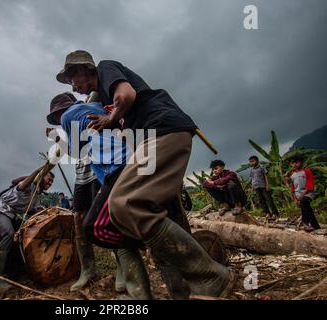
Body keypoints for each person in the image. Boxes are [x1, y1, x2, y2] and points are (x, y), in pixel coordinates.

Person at [56, 50, 234, 299]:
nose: (73, 85)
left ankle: (210, 275)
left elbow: (127, 95)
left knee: (125, 203)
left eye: (72, 78)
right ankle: (184, 290)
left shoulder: (106, 67)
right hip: (150, 141)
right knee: (156, 216)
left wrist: (111, 118)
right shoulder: (100, 99)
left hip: (162, 131)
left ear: (84, 70)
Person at [47, 92, 151, 299]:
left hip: (100, 171)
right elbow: (73, 153)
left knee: (110, 217)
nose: (60, 118)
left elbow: (89, 143)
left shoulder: (88, 112)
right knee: (79, 218)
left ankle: (122, 269)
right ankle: (88, 269)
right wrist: (59, 139)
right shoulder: (69, 126)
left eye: (59, 113)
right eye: (57, 116)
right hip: (81, 175)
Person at [0, 170, 54, 284]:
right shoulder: (28, 185)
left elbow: (35, 210)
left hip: (13, 216)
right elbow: (20, 182)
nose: (50, 183)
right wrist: (38, 172)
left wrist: (49, 214)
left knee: (26, 232)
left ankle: (15, 267)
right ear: (41, 177)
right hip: (1, 211)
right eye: (48, 179)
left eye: (51, 182)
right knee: (9, 233)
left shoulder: (38, 194)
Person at [289, 155, 321, 232]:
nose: (295, 164)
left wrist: (301, 196)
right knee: (307, 209)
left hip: (308, 193)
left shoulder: (307, 171)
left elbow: (310, 185)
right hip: (298, 195)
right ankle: (316, 226)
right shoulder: (292, 175)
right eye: (293, 163)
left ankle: (305, 223)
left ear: (301, 163)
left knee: (304, 202)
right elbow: (293, 188)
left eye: (297, 162)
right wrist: (295, 199)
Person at [248, 155, 279, 220]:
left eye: (253, 161)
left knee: (269, 200)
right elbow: (252, 179)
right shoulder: (251, 170)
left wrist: (267, 185)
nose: (251, 163)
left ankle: (275, 213)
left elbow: (265, 177)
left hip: (263, 186)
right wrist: (252, 187)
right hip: (256, 187)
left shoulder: (262, 168)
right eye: (250, 162)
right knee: (261, 201)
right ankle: (268, 213)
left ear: (257, 161)